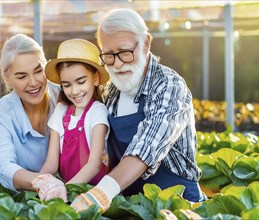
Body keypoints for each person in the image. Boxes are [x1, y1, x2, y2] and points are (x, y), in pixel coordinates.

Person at [71, 8, 206, 213]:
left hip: (179, 206)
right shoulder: (112, 91)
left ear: (146, 44)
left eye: (125, 52)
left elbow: (147, 146)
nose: (117, 64)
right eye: (108, 55)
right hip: (131, 206)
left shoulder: (168, 85)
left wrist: (103, 191)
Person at [0, 33, 67, 202]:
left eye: (38, 71)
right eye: (22, 76)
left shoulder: (66, 95)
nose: (33, 82)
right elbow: (3, 164)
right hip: (25, 201)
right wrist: (40, 182)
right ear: (7, 80)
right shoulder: (0, 113)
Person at [40, 38, 110, 186]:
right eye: (67, 85)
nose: (74, 91)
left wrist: (66, 190)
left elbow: (94, 165)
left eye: (81, 82)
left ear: (96, 78)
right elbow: (52, 163)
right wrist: (39, 183)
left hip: (94, 192)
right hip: (67, 188)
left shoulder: (97, 111)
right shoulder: (60, 110)